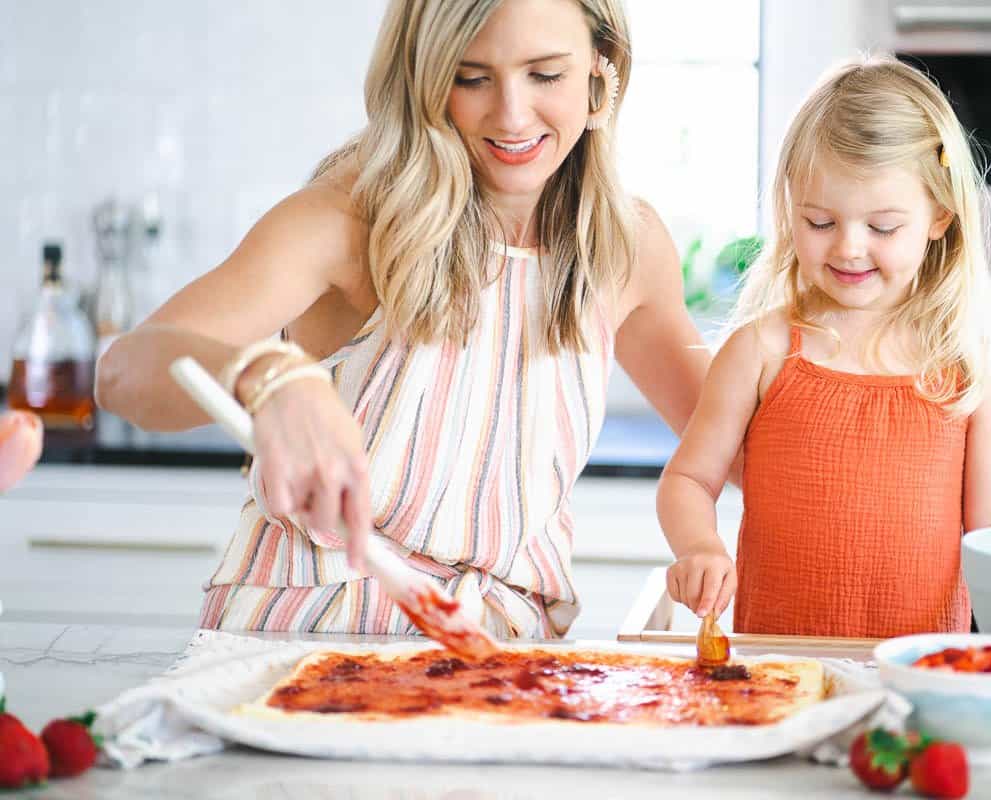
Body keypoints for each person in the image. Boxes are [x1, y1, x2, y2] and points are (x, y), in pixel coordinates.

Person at [97, 0, 711, 638]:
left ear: (600, 71)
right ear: (421, 78)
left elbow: (748, 443)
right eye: (470, 77)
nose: (512, 113)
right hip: (302, 642)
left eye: (545, 75)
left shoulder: (627, 248)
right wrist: (267, 378)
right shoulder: (348, 221)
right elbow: (124, 371)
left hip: (498, 657)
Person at [656, 56, 991, 638]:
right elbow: (688, 480)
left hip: (919, 677)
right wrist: (699, 547)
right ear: (789, 210)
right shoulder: (762, 350)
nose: (850, 248)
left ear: (940, 217)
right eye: (820, 222)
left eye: (882, 227)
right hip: (779, 673)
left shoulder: (968, 366)